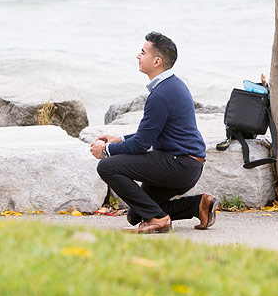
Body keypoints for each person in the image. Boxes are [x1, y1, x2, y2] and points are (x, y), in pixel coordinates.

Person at [91, 32, 218, 234]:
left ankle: (158, 219)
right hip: (187, 164)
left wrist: (106, 150)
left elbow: (141, 145)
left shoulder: (161, 94)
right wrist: (119, 139)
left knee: (107, 166)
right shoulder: (172, 86)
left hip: (180, 164)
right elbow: (149, 134)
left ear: (157, 61)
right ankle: (198, 205)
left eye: (143, 52)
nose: (138, 56)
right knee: (136, 214)